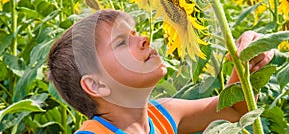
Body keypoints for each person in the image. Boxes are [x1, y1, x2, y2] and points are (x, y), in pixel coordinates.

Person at [47, 9, 274, 134]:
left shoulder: (162, 114)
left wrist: (246, 62)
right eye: (121, 42)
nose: (144, 39)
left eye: (135, 33)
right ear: (97, 85)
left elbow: (235, 110)